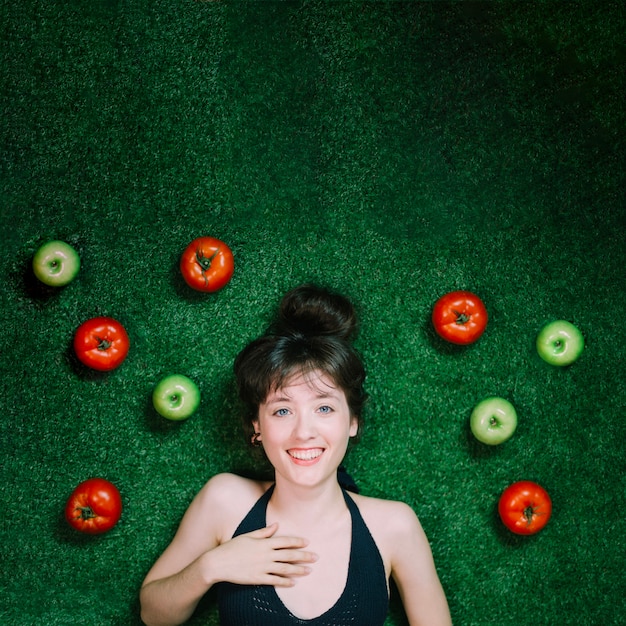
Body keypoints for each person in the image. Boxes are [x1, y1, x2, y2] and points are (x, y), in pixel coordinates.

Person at [140, 284, 452, 626]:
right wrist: (211, 566)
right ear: (256, 426)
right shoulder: (224, 501)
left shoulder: (394, 526)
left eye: (324, 408)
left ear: (353, 422)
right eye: (282, 411)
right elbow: (154, 615)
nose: (304, 431)